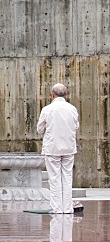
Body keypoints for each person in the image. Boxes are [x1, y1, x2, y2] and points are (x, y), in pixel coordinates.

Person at [37, 83, 79, 214]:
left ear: (52, 95)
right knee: (67, 178)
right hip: (68, 148)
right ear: (66, 95)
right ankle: (67, 208)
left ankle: (57, 209)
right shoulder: (72, 109)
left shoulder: (47, 109)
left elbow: (39, 129)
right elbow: (76, 126)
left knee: (54, 179)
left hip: (52, 148)